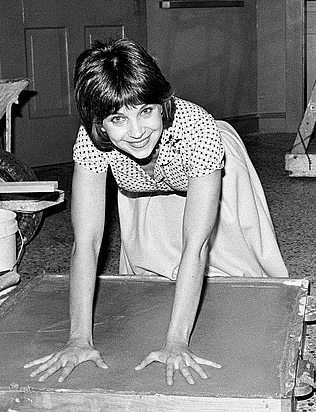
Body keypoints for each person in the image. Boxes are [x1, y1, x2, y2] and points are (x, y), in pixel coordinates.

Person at [25, 38, 288, 385]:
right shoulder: (91, 142)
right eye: (119, 119)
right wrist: (78, 340)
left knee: (237, 270)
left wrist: (176, 343)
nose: (136, 132)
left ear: (161, 104)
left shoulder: (199, 132)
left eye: (146, 111)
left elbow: (197, 244)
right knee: (150, 273)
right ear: (99, 125)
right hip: (141, 183)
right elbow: (85, 243)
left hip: (204, 164)